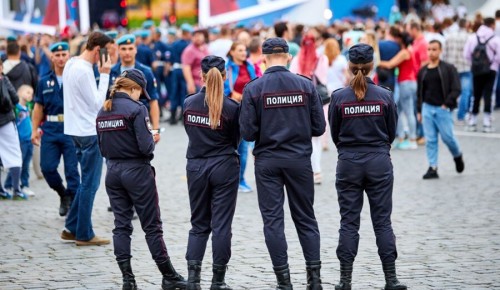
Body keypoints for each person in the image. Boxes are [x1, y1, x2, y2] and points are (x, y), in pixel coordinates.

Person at [240, 38, 325, 289]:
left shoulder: (254, 88)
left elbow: (247, 133)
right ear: (288, 57)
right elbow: (319, 127)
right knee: (306, 219)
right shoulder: (305, 85)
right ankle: (315, 280)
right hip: (299, 160)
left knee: (273, 221)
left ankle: (284, 282)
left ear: (263, 59)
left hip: (267, 161)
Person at [97, 69, 186, 290]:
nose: (141, 97)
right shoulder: (136, 109)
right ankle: (168, 275)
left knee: (121, 226)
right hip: (137, 171)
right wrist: (153, 138)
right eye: (140, 92)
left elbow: (102, 147)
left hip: (113, 172)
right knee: (152, 226)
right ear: (133, 88)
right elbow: (146, 146)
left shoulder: (103, 110)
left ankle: (128, 279)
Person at [328, 43, 406, 290]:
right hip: (378, 162)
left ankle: (345, 280)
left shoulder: (339, 97)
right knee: (382, 221)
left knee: (348, 222)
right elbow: (391, 131)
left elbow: (335, 133)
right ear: (372, 66)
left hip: (349, 163)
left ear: (350, 68)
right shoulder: (385, 95)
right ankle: (391, 279)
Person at [183, 56, 240, 290]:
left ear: (201, 76)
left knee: (198, 224)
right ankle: (218, 281)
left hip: (196, 165)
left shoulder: (188, 104)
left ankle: (193, 280)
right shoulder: (232, 108)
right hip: (224, 165)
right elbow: (236, 139)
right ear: (225, 76)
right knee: (221, 225)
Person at [61, 31, 112, 246]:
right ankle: (84, 233)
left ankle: (71, 227)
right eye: (106, 52)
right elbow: (97, 102)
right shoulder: (84, 70)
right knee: (90, 184)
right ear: (98, 50)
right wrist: (106, 74)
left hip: (75, 129)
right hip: (88, 131)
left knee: (85, 183)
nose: (107, 56)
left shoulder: (71, 63)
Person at [31, 42, 80, 216]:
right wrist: (34, 129)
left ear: (69, 56)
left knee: (72, 171)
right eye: (57, 55)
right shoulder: (44, 81)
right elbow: (38, 107)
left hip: (71, 128)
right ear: (52, 57)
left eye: (63, 54)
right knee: (47, 168)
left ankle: (74, 207)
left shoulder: (76, 78)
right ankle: (63, 194)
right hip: (51, 128)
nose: (60, 58)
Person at [417, 40, 464, 179]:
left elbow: (456, 88)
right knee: (430, 140)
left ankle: (457, 155)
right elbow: (420, 92)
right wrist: (419, 110)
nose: (431, 52)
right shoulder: (423, 71)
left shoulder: (448, 68)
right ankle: (433, 167)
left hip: (443, 109)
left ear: (440, 51)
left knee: (448, 138)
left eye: (434, 49)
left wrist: (447, 104)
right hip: (427, 108)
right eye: (429, 49)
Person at [289, 33, 328, 185]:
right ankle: (316, 170)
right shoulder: (321, 58)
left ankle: (313, 169)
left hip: (301, 100)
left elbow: (292, 77)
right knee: (317, 136)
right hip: (319, 99)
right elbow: (324, 79)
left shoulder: (297, 58)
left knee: (307, 137)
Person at [109, 34, 161, 142]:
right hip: (117, 123)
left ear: (135, 50)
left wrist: (156, 129)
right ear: (118, 50)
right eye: (123, 49)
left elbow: (153, 101)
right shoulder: (111, 72)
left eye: (130, 48)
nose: (127, 52)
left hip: (140, 122)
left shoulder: (146, 72)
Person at [224, 41, 257, 193]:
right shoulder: (227, 68)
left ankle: (240, 179)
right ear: (232, 52)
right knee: (231, 148)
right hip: (231, 111)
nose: (243, 53)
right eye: (240, 50)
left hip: (247, 110)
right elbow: (223, 87)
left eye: (245, 50)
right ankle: (228, 179)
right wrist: (232, 94)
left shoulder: (249, 66)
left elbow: (256, 83)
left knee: (243, 148)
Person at [378, 32, 418, 150]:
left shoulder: (405, 52)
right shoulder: (411, 50)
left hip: (406, 82)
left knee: (408, 111)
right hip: (409, 82)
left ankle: (412, 139)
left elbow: (390, 64)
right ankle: (402, 138)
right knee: (400, 111)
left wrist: (376, 62)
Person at [463, 17, 500, 132]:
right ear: (492, 25)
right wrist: (493, 64)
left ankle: (473, 120)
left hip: (476, 69)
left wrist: (474, 63)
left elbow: (466, 54)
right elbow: (499, 56)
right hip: (491, 70)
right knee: (488, 94)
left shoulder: (473, 37)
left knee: (476, 94)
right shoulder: (495, 39)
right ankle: (486, 121)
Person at [0, 59, 26, 200]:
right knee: (15, 153)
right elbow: (15, 98)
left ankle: (1, 190)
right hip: (5, 121)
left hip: (5, 121)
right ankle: (16, 189)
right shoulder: (4, 79)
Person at [4, 85, 35, 196]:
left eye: (31, 93)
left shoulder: (29, 107)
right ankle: (8, 185)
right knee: (17, 163)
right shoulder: (16, 108)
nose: (30, 95)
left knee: (26, 164)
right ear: (19, 93)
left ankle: (24, 185)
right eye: (27, 92)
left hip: (29, 140)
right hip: (20, 140)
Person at [443, 19, 472, 124]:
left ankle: (450, 113)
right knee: (465, 92)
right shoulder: (469, 37)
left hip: (451, 67)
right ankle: (461, 116)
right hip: (465, 67)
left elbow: (444, 52)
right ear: (466, 25)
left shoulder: (449, 36)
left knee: (451, 91)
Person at [168, 23, 193, 125]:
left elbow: (170, 59)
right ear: (186, 33)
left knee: (174, 93)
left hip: (175, 70)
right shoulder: (188, 45)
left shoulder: (174, 44)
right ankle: (184, 118)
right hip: (184, 70)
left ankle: (173, 117)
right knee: (184, 93)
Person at [182, 29, 210, 97]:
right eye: (195, 36)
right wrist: (190, 83)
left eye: (200, 35)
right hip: (196, 83)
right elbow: (186, 67)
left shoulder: (205, 48)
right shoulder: (189, 50)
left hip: (205, 83)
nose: (198, 38)